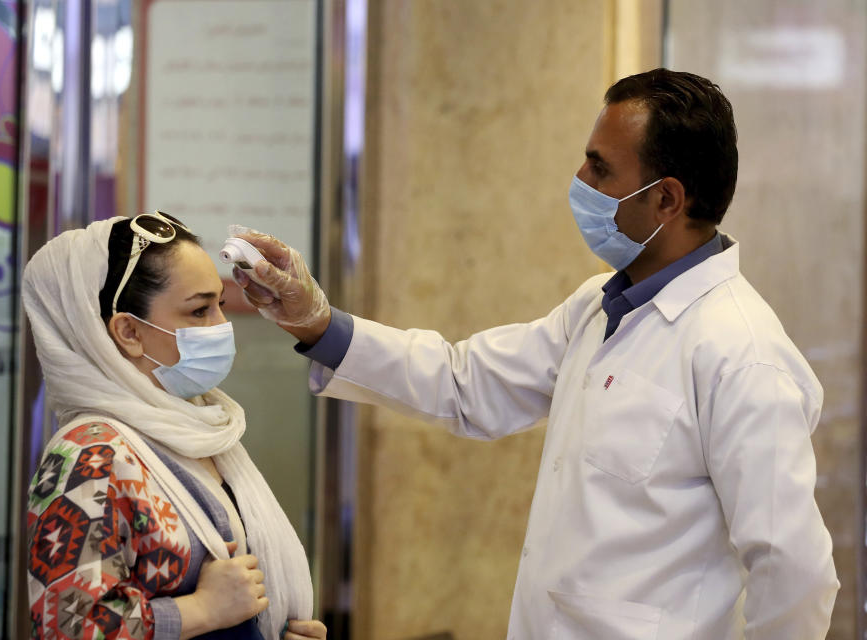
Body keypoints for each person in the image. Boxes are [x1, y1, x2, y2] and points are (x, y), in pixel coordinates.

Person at [230, 69, 840, 639]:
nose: (580, 181)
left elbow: (794, 572)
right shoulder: (599, 308)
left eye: (601, 170)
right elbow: (463, 383)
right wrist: (314, 320)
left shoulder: (742, 353)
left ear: (668, 200)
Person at [22, 212, 327, 640]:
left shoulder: (201, 431)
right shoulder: (89, 455)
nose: (222, 326)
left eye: (219, 304)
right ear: (129, 331)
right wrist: (200, 610)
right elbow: (67, 628)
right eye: (199, 310)